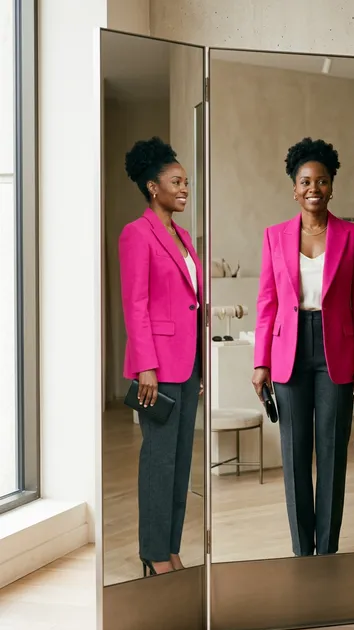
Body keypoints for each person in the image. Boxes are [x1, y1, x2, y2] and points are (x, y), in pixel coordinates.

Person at [252, 138, 354, 557]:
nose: (313, 188)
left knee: (332, 453)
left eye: (321, 181)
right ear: (294, 188)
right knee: (294, 453)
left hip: (336, 351)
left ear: (332, 186)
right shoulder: (273, 236)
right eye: (305, 181)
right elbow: (267, 301)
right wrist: (260, 363)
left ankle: (329, 550)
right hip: (288, 351)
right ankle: (303, 550)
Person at [119, 137, 203, 577]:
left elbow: (192, 304)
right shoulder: (137, 233)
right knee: (159, 461)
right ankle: (153, 552)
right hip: (159, 368)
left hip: (187, 367)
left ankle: (170, 548)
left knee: (181, 465)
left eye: (186, 181)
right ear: (154, 187)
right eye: (176, 182)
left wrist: (201, 368)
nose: (184, 188)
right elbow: (136, 303)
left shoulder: (184, 237)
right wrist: (146, 365)